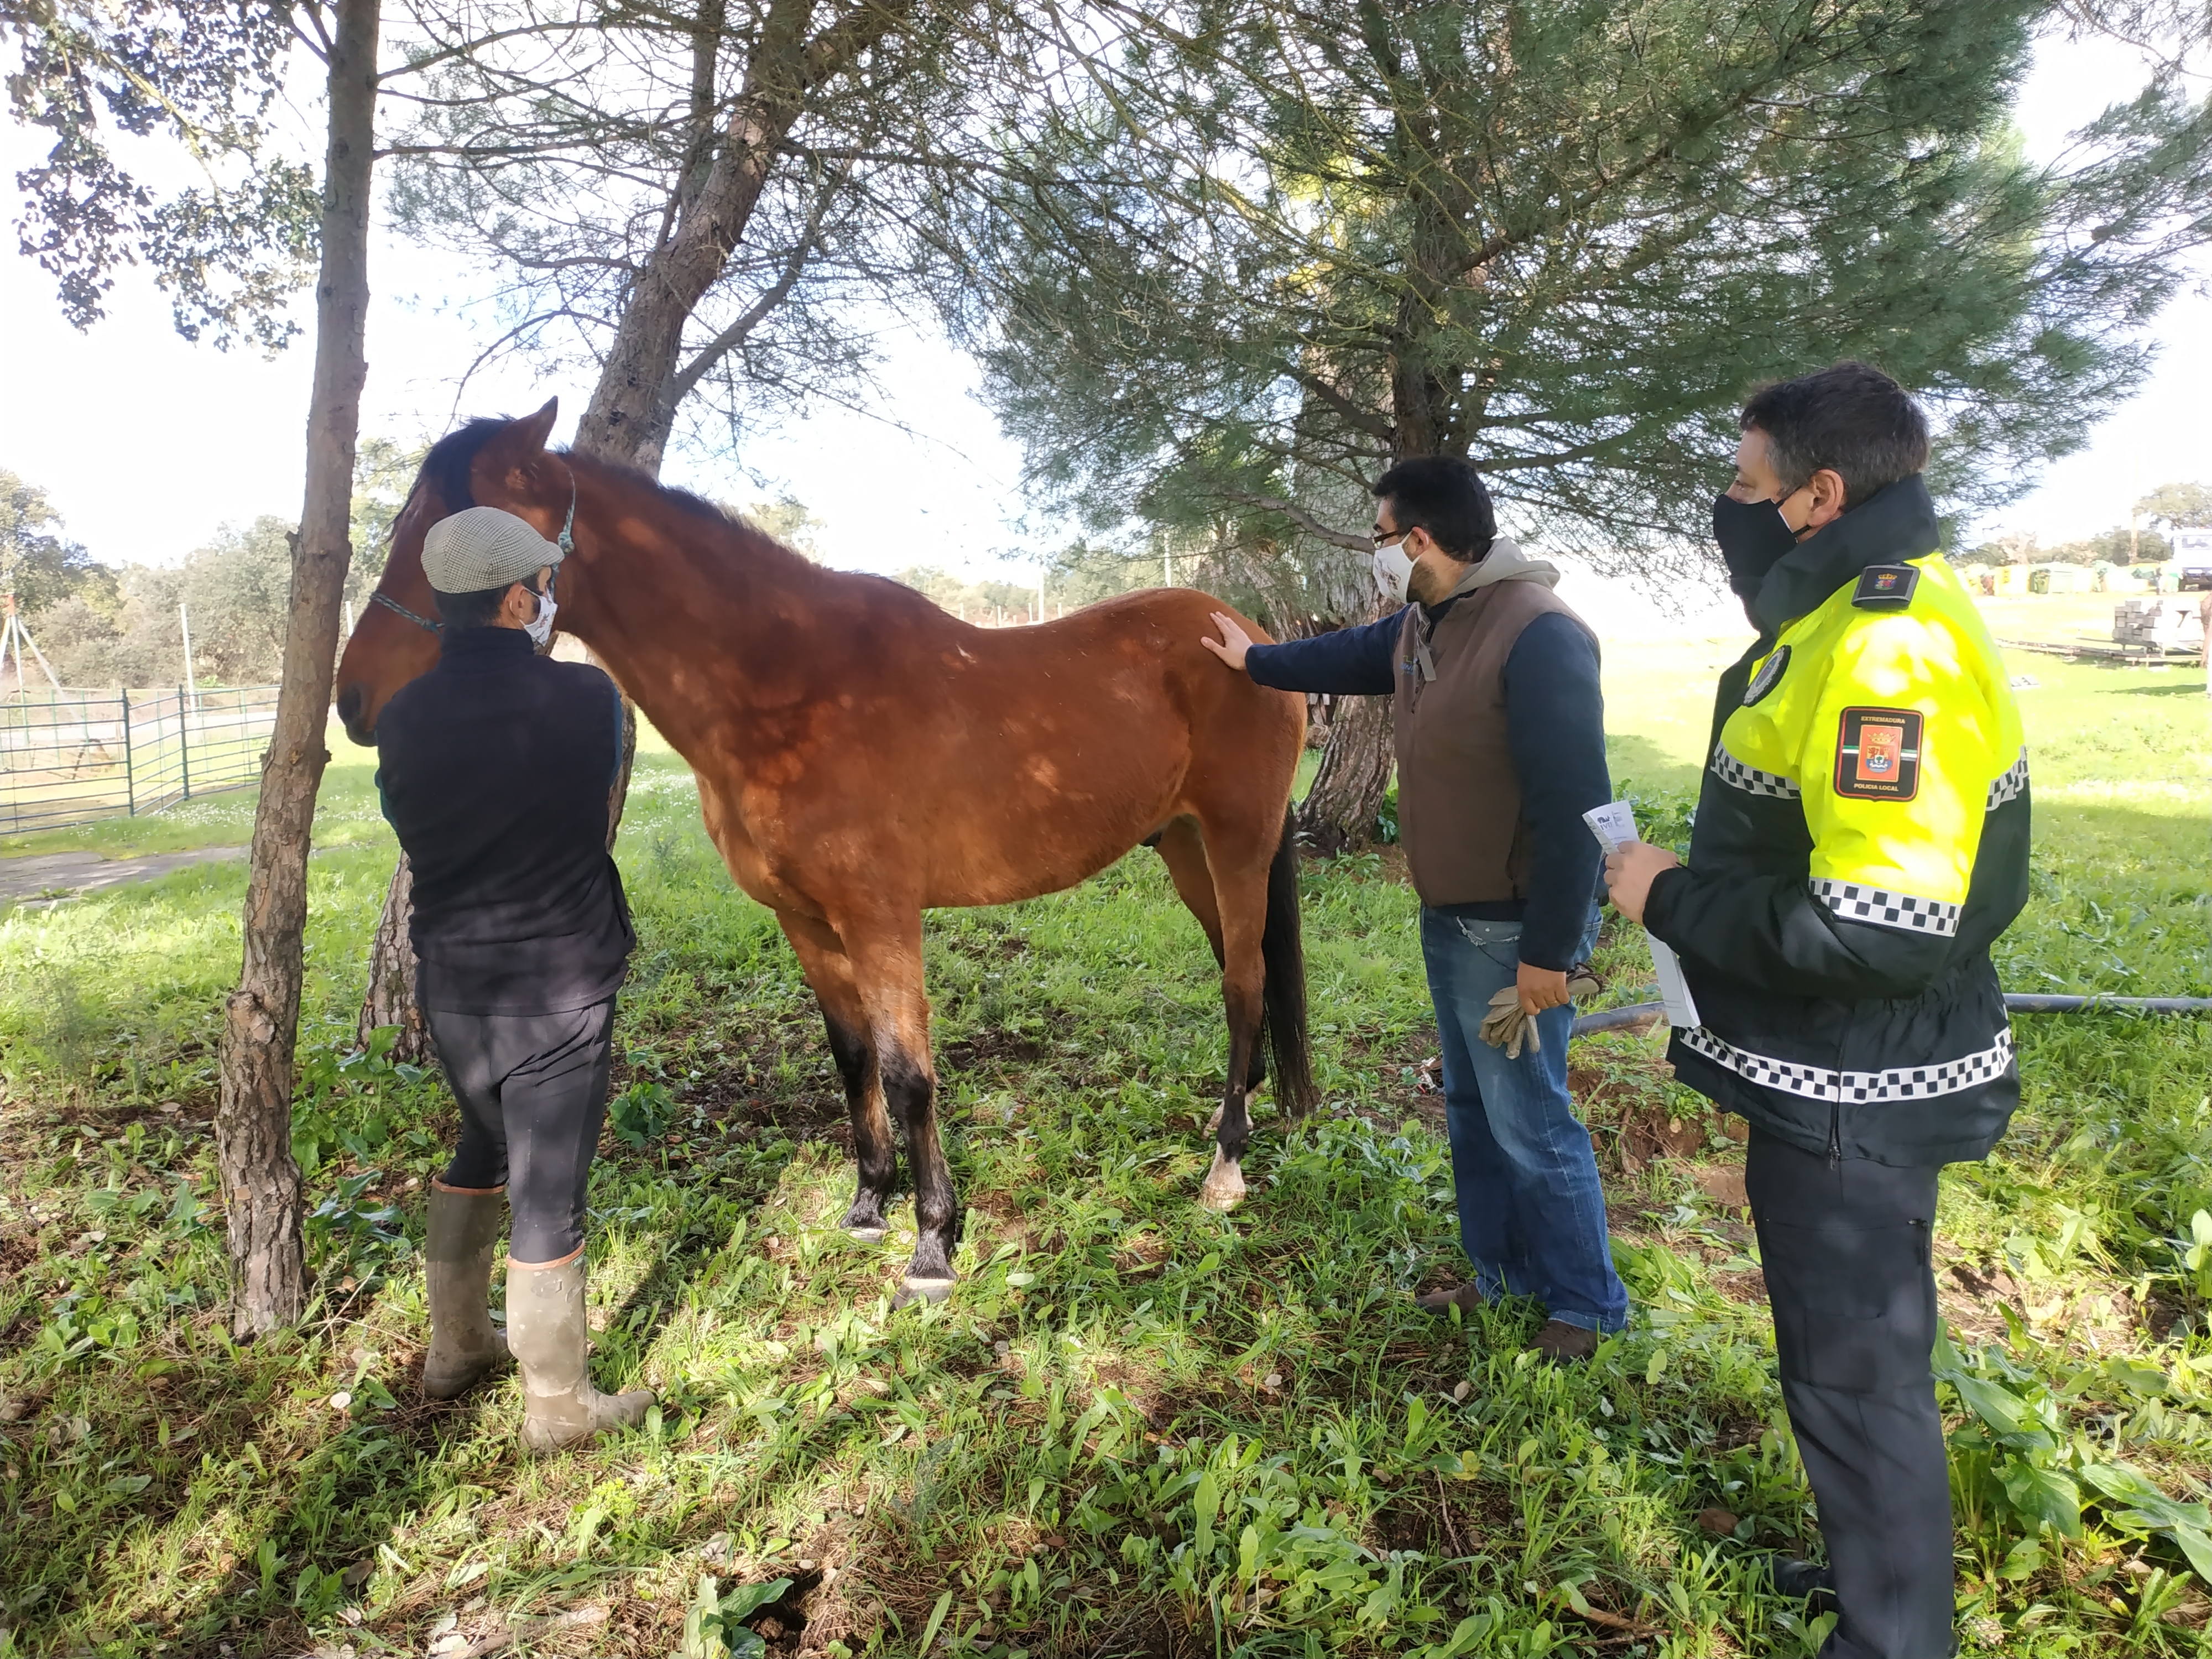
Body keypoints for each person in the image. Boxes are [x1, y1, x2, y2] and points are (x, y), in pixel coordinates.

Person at [1605, 361, 2030, 1659]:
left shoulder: (1884, 644)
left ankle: (1893, 1637)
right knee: (1841, 1369)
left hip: (1857, 1083)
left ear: (1820, 494)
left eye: (1745, 486)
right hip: (1825, 1069)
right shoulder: (1852, 609)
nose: (1730, 507)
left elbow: (1872, 924)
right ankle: (1872, 1582)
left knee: (1854, 1380)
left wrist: (1666, 894)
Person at [1202, 455, 1627, 1363]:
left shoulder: (1538, 632)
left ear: (1422, 540)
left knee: (1532, 1118)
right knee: (1474, 1109)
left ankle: (1586, 1305)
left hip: (1515, 926)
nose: (1382, 555)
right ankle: (1503, 1275)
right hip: (1453, 918)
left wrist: (1549, 955)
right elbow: (1348, 658)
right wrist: (1255, 661)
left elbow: (1574, 810)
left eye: (1385, 539)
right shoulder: (1424, 624)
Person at [375, 504, 651, 1452]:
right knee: (548, 1195)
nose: (546, 597)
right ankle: (559, 1408)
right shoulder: (587, 699)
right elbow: (604, 781)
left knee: (479, 1146)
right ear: (515, 597)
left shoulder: (403, 717)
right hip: (561, 985)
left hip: (453, 985)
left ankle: (456, 1349)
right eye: (539, 585)